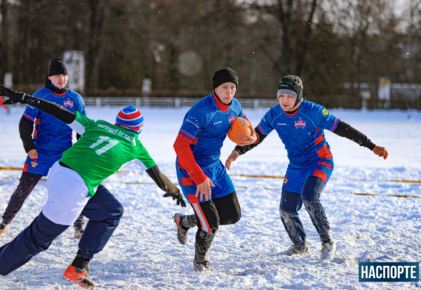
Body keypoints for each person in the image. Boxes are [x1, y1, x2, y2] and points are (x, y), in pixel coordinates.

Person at [0, 86, 186, 289]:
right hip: (73, 187)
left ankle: (79, 266)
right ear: (139, 129)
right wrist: (175, 191)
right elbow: (159, 177)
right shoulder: (136, 147)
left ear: (117, 123)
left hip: (59, 171)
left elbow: (57, 110)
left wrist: (25, 98)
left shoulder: (97, 125)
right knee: (37, 239)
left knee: (111, 211)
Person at [225, 75, 388, 262]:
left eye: (289, 96)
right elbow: (257, 136)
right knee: (286, 211)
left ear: (298, 97)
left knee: (310, 197)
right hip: (295, 166)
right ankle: (300, 246)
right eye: (281, 96)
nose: (284, 100)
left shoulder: (314, 112)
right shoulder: (274, 114)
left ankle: (327, 243)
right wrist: (237, 151)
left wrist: (371, 146)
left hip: (319, 161)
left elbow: (343, 128)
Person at [172, 67, 257, 271]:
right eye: (224, 87)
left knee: (232, 215)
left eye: (232, 87)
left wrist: (251, 138)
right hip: (191, 169)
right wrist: (199, 177)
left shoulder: (235, 106)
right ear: (215, 89)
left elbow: (245, 125)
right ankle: (199, 262)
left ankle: (185, 221)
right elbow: (180, 146)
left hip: (215, 166)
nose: (229, 92)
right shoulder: (201, 111)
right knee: (210, 224)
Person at [0, 58, 86, 239]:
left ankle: (79, 226)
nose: (61, 78)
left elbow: (82, 128)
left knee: (73, 189)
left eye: (64, 75)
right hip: (40, 152)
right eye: (57, 75)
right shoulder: (40, 96)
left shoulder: (75, 99)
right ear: (49, 77)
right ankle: (5, 222)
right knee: (23, 190)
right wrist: (29, 146)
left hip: (64, 153)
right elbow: (25, 123)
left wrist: (81, 149)